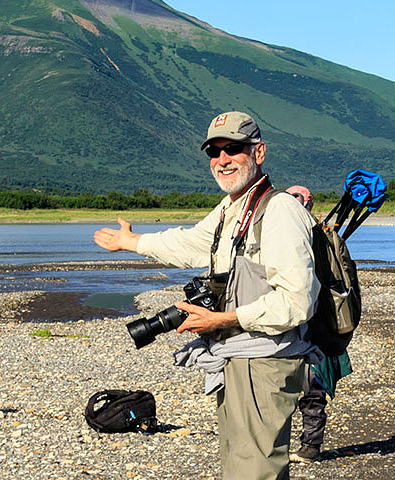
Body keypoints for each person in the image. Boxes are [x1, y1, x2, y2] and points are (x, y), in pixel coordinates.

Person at [94, 111, 321, 479]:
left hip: (265, 361)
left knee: (256, 470)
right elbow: (191, 242)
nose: (222, 160)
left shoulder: (279, 210)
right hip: (235, 357)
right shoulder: (234, 208)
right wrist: (131, 242)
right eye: (213, 152)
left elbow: (297, 301)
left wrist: (223, 319)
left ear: (258, 152)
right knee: (237, 468)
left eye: (233, 148)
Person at [284, 185, 352, 464]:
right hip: (296, 324)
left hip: (314, 325)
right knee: (289, 389)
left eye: (298, 199)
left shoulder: (317, 237)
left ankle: (310, 447)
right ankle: (296, 446)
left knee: (311, 390)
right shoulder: (314, 235)